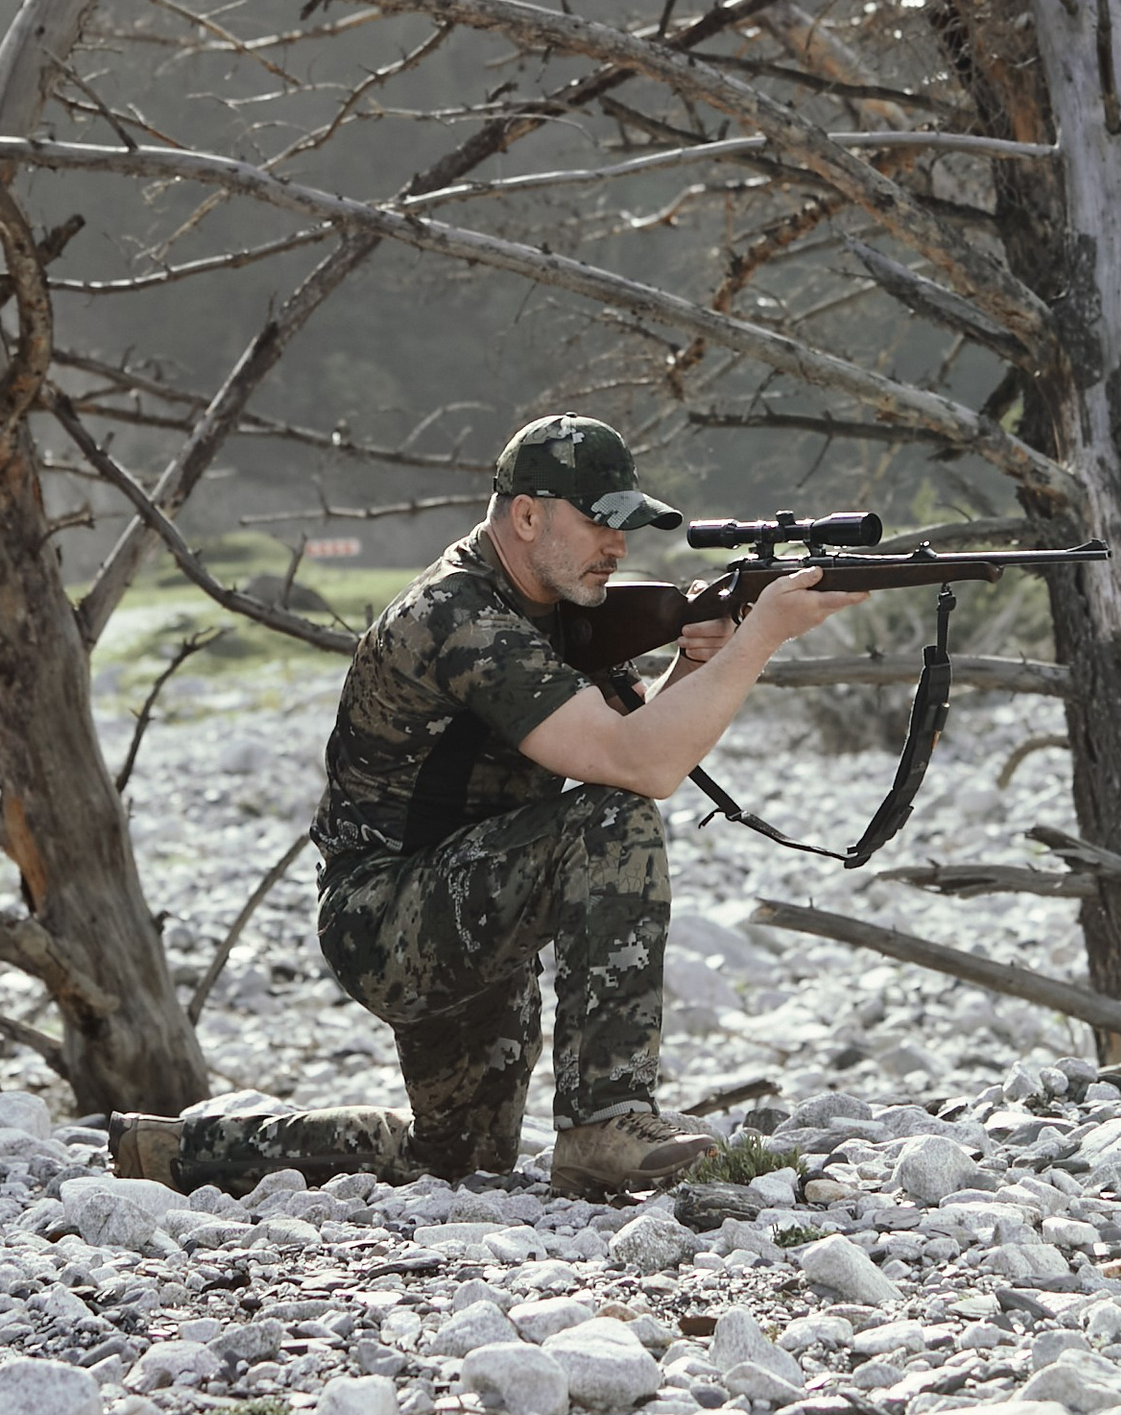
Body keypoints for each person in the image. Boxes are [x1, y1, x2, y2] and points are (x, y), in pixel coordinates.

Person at [302, 413, 867, 1199]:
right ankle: (607, 1117)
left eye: (625, 526)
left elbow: (629, 737)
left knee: (458, 1164)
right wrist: (759, 639)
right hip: (385, 917)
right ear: (527, 515)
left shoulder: (547, 611)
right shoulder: (461, 617)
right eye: (599, 521)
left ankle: (186, 1151)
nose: (618, 546)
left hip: (468, 899)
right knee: (614, 819)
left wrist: (693, 662)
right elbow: (638, 769)